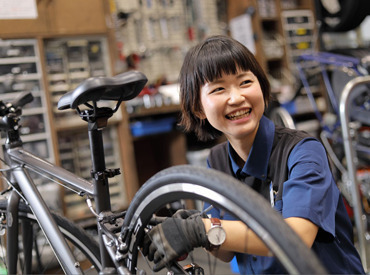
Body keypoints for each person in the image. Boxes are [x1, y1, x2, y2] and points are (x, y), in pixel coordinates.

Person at [142, 35, 365, 274]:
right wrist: (194, 231)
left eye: (245, 82)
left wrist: (201, 229)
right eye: (218, 88)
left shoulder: (303, 151)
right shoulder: (217, 161)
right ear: (198, 108)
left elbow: (296, 238)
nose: (237, 98)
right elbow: (226, 253)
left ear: (261, 86)